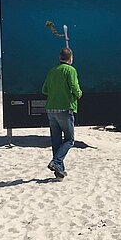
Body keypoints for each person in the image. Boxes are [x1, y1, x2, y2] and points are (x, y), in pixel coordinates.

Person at [42, 47, 82, 179]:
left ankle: (59, 171)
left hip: (51, 109)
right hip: (65, 108)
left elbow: (44, 90)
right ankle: (56, 162)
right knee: (70, 140)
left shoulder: (52, 71)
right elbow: (74, 87)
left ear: (60, 58)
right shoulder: (71, 70)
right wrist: (78, 94)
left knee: (56, 140)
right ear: (71, 58)